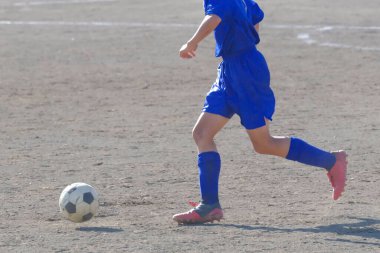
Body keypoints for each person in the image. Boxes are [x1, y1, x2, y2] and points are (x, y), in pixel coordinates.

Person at [172, 0, 348, 224]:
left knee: (263, 144)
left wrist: (192, 43)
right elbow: (255, 20)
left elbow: (214, 18)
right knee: (202, 134)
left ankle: (331, 161)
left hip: (245, 73)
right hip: (231, 70)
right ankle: (210, 205)